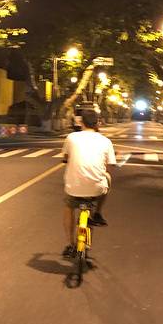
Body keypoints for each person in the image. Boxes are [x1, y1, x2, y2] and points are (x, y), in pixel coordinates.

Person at [61, 107, 116, 257]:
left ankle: (70, 244)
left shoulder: (72, 137)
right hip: (96, 188)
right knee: (108, 178)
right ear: (98, 123)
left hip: (73, 187)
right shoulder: (105, 141)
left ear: (81, 122)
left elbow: (65, 158)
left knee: (69, 207)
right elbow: (110, 166)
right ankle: (97, 213)